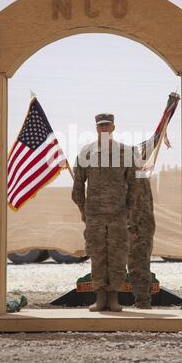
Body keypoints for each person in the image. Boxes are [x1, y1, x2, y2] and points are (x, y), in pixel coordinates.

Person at [72, 113, 138, 312]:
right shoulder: (87, 153)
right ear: (96, 128)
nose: (104, 129)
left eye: (107, 125)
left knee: (117, 255)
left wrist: (128, 209)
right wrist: (83, 209)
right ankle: (100, 297)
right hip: (95, 215)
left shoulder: (126, 152)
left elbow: (134, 184)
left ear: (114, 127)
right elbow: (78, 184)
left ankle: (113, 298)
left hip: (118, 215)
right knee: (97, 254)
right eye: (101, 126)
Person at [127, 170, 156, 308]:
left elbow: (136, 204)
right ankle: (143, 300)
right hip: (145, 226)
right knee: (142, 264)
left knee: (137, 266)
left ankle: (143, 302)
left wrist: (131, 228)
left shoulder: (135, 175)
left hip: (139, 228)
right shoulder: (141, 173)